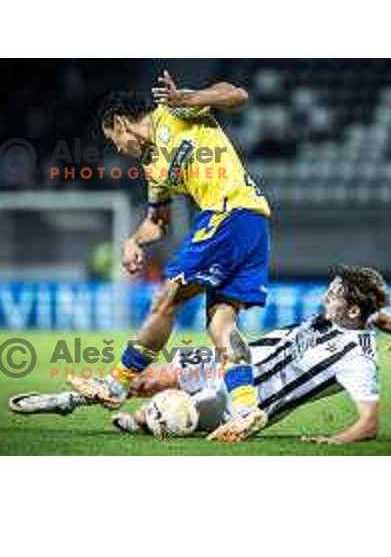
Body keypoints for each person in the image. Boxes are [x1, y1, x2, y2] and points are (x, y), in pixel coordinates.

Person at [10, 266, 391, 443]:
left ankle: (144, 420)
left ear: (352, 310)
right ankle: (68, 402)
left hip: (242, 405)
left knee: (162, 418)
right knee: (143, 381)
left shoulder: (357, 358)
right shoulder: (356, 318)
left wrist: (331, 440)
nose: (327, 294)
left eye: (335, 293)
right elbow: (380, 317)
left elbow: (369, 423)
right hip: (230, 359)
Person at [72, 71, 271, 440]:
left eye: (113, 139)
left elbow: (237, 94)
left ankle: (116, 385)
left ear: (120, 124)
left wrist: (188, 98)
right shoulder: (153, 166)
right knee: (221, 324)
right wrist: (134, 240)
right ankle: (246, 408)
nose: (117, 148)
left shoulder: (173, 111)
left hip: (228, 214)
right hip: (253, 222)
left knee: (165, 302)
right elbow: (158, 222)